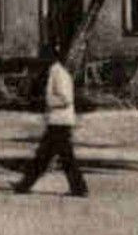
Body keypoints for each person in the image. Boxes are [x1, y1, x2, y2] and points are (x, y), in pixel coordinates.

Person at [13, 50, 88, 197]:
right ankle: (78, 187)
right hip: (59, 121)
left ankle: (25, 184)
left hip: (59, 121)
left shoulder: (58, 74)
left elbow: (66, 99)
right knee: (56, 157)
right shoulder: (57, 72)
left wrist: (48, 102)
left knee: (46, 156)